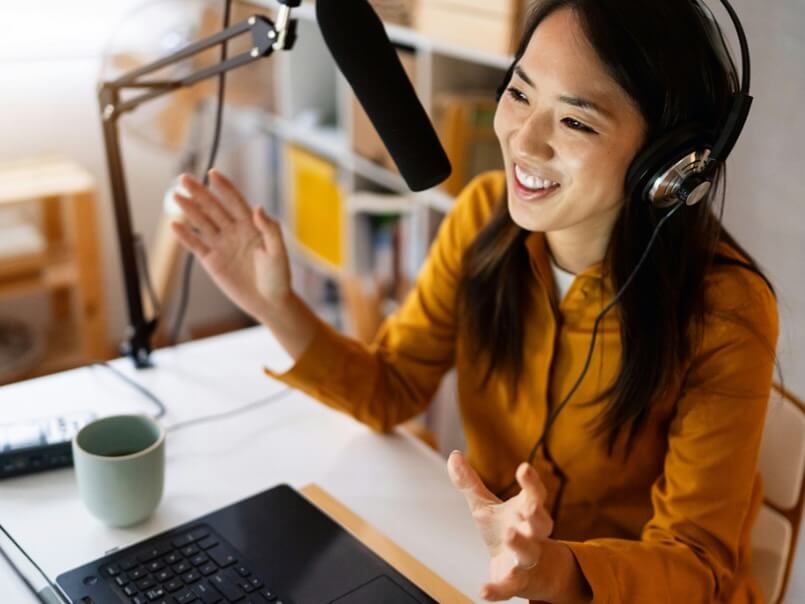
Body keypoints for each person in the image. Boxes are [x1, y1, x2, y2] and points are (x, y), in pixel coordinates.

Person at [170, 0, 779, 601]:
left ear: (669, 165)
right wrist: (276, 305)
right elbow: (392, 388)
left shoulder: (728, 312)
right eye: (520, 93)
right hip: (483, 571)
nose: (524, 140)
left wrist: (554, 569)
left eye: (576, 122)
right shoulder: (481, 217)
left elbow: (696, 563)